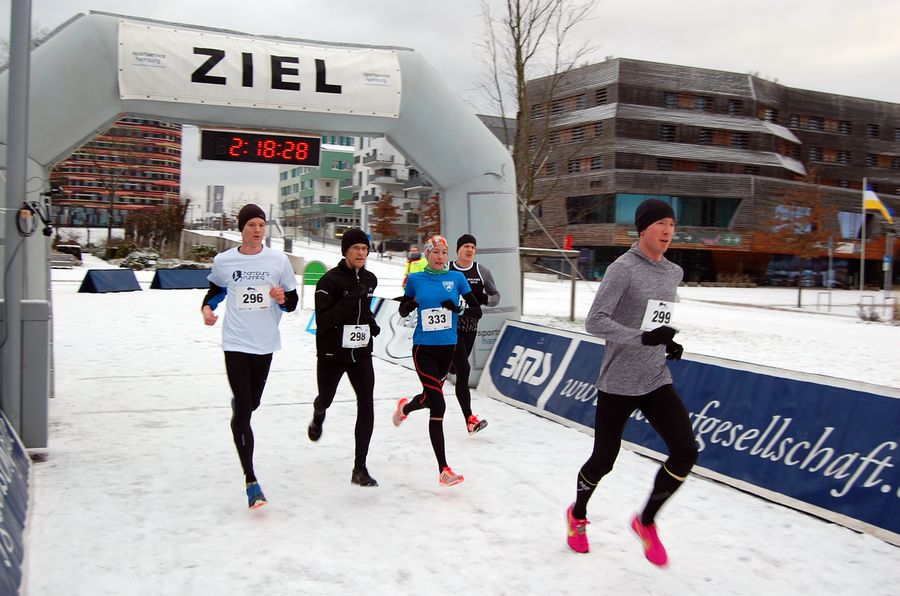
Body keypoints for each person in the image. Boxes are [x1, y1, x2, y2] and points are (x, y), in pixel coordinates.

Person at [565, 198, 697, 566]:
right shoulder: (622, 269)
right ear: (643, 229)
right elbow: (595, 321)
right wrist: (643, 338)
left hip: (655, 377)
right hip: (618, 382)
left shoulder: (673, 272)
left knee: (686, 452)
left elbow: (655, 321)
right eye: (661, 224)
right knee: (603, 461)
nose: (668, 231)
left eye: (672, 224)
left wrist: (666, 343)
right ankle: (577, 515)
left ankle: (646, 522)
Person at [202, 204, 299, 510]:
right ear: (241, 229)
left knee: (251, 403)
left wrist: (282, 298)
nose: (257, 230)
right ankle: (251, 480)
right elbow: (215, 291)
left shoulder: (278, 260)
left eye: (261, 225)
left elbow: (292, 301)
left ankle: (241, 405)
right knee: (244, 410)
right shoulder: (224, 261)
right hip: (235, 342)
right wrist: (207, 308)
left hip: (264, 343)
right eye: (251, 225)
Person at [391, 234, 482, 486]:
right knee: (438, 404)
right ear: (427, 254)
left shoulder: (457, 278)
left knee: (429, 398)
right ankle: (444, 469)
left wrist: (458, 309)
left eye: (444, 252)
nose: (440, 257)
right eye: (435, 252)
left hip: (448, 349)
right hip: (424, 350)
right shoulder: (416, 279)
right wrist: (410, 305)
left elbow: (477, 311)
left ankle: (404, 409)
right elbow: (403, 309)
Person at [307, 228, 380, 487]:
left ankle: (359, 468)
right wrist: (350, 298)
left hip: (360, 352)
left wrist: (371, 323)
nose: (361, 253)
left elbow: (363, 309)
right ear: (345, 251)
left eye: (364, 248)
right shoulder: (328, 281)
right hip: (332, 353)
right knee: (326, 398)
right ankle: (319, 413)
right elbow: (324, 321)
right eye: (355, 248)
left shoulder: (370, 279)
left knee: (367, 404)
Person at [448, 234, 500, 434]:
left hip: (470, 329)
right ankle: (469, 420)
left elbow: (496, 297)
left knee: (455, 369)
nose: (469, 250)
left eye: (472, 247)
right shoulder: (447, 269)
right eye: (466, 246)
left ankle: (409, 407)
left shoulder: (481, 271)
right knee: (464, 369)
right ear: (458, 249)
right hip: (450, 328)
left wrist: (484, 298)